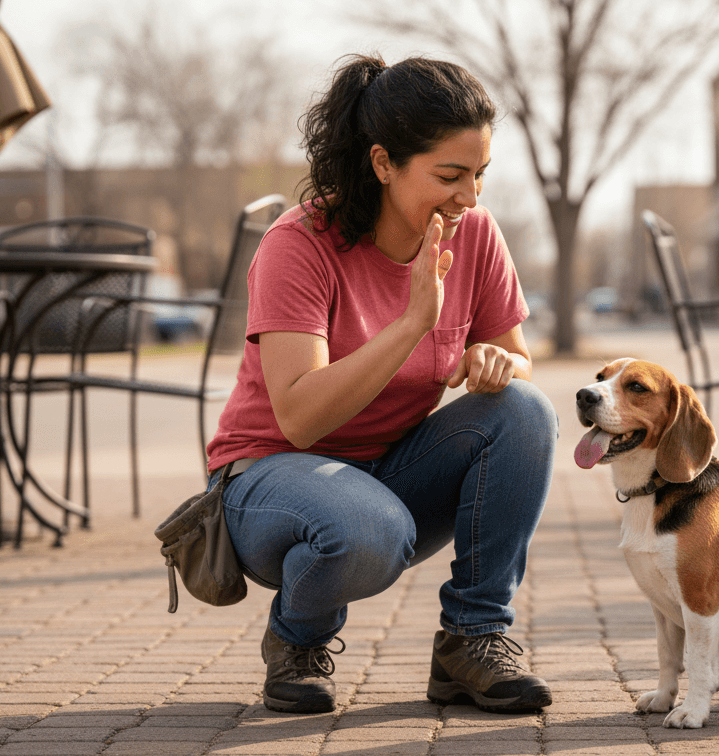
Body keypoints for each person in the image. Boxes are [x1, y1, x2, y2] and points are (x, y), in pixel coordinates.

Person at [204, 53, 558, 716]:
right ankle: (297, 640)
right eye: (450, 176)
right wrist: (412, 323)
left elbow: (519, 359)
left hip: (388, 472)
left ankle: (474, 639)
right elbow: (301, 418)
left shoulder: (474, 235)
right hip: (269, 477)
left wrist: (494, 358)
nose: (470, 197)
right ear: (382, 162)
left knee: (525, 412)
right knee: (368, 527)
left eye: (479, 174)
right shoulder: (300, 243)